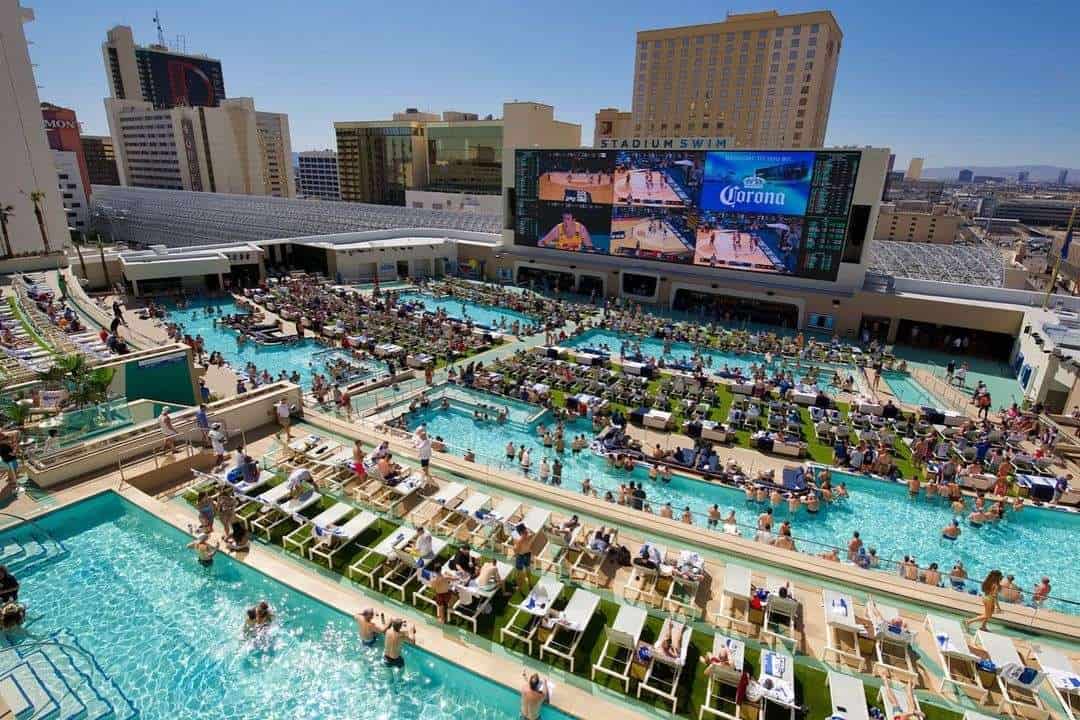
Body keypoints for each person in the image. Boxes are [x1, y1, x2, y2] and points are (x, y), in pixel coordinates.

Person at [512, 523, 534, 594]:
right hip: (528, 554)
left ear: (520, 532)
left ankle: (519, 588)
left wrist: (515, 551)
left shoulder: (519, 540)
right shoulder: (530, 535)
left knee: (519, 573)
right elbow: (532, 532)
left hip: (520, 556)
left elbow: (516, 550)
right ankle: (530, 584)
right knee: (528, 569)